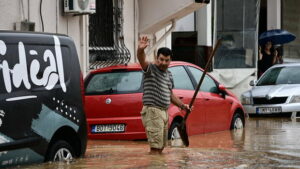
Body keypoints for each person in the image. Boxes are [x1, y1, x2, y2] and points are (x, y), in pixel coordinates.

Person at [137, 36, 191, 154]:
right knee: (155, 149)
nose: (163, 63)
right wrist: (140, 50)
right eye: (161, 59)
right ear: (157, 58)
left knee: (160, 148)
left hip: (164, 113)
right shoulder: (150, 69)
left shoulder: (169, 75)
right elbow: (142, 60)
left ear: (170, 60)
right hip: (153, 112)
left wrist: (183, 106)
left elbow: (170, 95)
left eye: (167, 60)